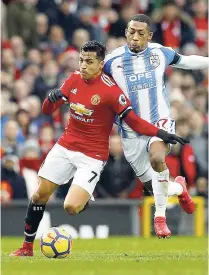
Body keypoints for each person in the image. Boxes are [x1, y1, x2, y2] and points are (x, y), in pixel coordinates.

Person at [10, 41, 187, 256]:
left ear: (101, 64)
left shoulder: (111, 91)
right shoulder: (74, 79)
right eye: (82, 60)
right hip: (66, 146)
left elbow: (133, 121)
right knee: (40, 195)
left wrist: (160, 133)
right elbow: (47, 110)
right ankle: (27, 247)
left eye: (89, 62)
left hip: (92, 155)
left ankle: (85, 196)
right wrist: (51, 99)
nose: (83, 65)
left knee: (71, 208)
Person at [104, 14, 209, 238]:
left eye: (141, 33)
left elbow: (187, 61)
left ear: (149, 35)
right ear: (125, 33)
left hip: (158, 120)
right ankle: (179, 188)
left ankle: (159, 218)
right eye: (131, 32)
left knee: (157, 158)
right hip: (130, 130)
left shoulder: (160, 53)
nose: (135, 37)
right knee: (156, 185)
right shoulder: (112, 61)